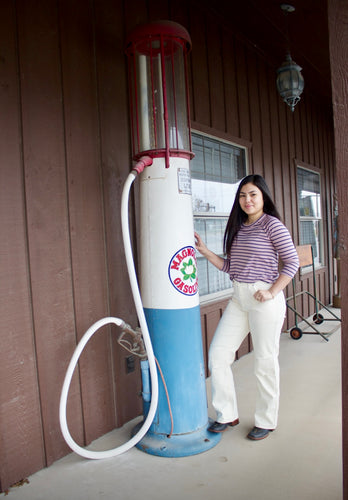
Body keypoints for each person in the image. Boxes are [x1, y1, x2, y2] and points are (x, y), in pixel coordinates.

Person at [195, 174, 299, 441]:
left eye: (253, 194)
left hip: (263, 298)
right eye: (242, 195)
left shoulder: (271, 225)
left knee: (264, 361)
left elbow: (292, 263)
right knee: (218, 354)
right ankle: (226, 413)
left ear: (263, 197)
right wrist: (205, 252)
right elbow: (231, 267)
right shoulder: (239, 227)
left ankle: (266, 420)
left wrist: (272, 291)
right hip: (238, 297)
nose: (247, 200)